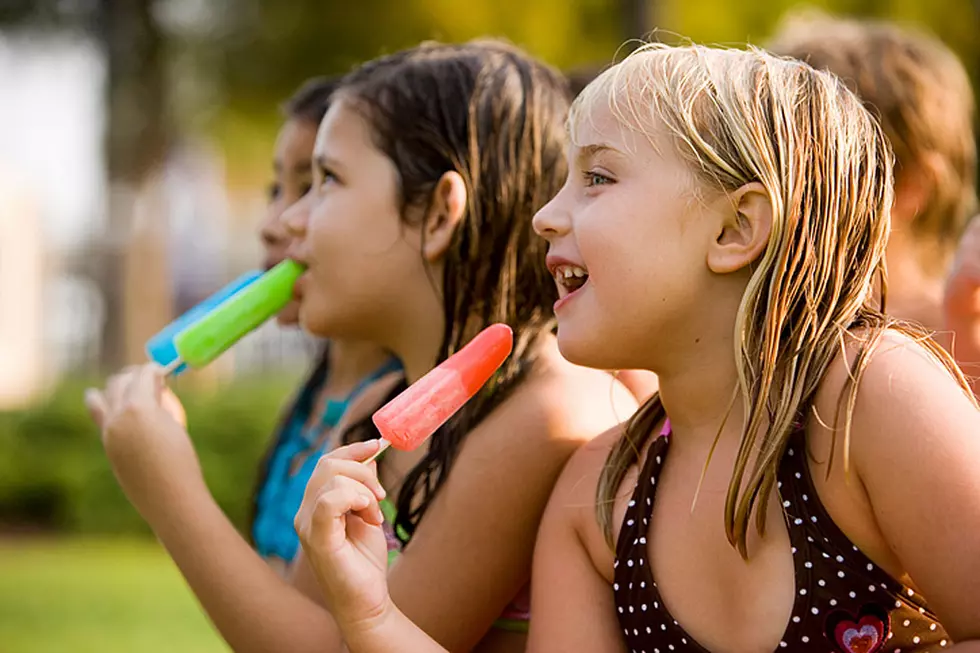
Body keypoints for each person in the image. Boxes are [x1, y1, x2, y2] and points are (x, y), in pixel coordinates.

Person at [296, 43, 980, 653]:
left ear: (736, 228)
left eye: (597, 178)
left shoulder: (873, 398)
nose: (546, 213)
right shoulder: (598, 496)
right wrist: (371, 614)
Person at [84, 38, 638, 653]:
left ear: (436, 214)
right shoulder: (375, 406)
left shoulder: (540, 414)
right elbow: (293, 624)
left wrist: (173, 494)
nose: (291, 219)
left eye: (327, 180)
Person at [251, 76, 401, 576]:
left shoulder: (392, 422)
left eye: (321, 184)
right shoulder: (312, 397)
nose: (279, 221)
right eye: (278, 188)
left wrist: (170, 489)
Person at [767, 12, 978, 337]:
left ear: (907, 187)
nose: (771, 183)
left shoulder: (958, 334)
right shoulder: (767, 318)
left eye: (809, 165)